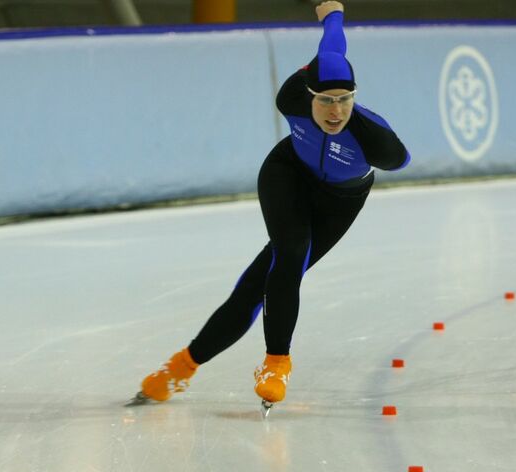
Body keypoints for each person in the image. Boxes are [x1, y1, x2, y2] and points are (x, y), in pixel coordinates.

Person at [133, 1, 409, 414]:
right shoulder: (290, 98)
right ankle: (277, 363)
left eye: (344, 100)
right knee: (290, 253)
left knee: (258, 284)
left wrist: (334, 18)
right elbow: (330, 49)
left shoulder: (376, 141)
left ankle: (182, 366)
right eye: (325, 100)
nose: (335, 112)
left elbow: (399, 157)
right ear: (308, 94)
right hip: (287, 174)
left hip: (340, 202)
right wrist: (332, 15)